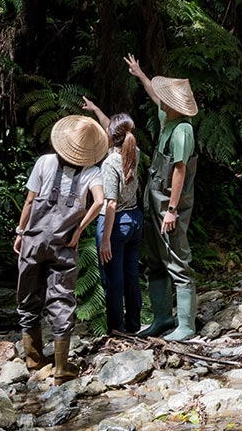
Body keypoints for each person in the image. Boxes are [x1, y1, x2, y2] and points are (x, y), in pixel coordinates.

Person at [13, 114, 108, 380]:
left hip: (34, 239)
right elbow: (99, 202)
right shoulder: (92, 172)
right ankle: (60, 368)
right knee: (61, 299)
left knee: (28, 295)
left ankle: (33, 360)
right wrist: (79, 230)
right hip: (64, 244)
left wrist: (21, 232)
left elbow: (30, 202)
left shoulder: (44, 162)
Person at [125, 53, 199, 340]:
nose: (162, 101)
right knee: (155, 260)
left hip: (170, 204)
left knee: (177, 260)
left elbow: (179, 172)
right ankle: (161, 319)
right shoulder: (167, 117)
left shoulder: (182, 131)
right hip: (152, 200)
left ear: (175, 105)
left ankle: (186, 325)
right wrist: (140, 73)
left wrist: (172, 209)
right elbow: (154, 94)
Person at [83, 97, 143, 335]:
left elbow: (110, 204)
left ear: (111, 136)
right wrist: (97, 109)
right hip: (135, 221)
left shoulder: (110, 163)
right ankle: (134, 327)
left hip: (116, 224)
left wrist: (106, 238)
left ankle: (116, 331)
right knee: (131, 276)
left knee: (113, 281)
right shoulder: (133, 151)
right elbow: (114, 129)